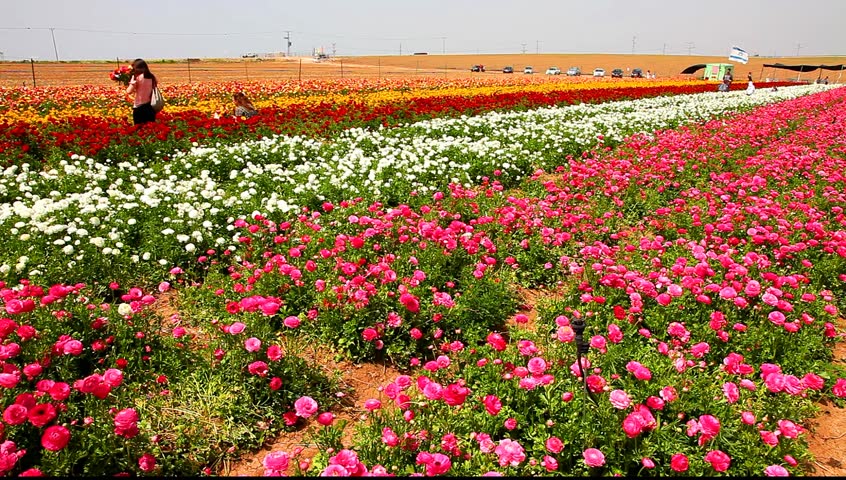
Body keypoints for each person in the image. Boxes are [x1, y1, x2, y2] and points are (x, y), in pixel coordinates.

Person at [125, 59, 158, 125]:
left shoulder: (137, 78)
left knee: (139, 129)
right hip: (150, 107)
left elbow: (129, 91)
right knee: (150, 129)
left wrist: (129, 83)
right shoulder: (152, 77)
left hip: (139, 107)